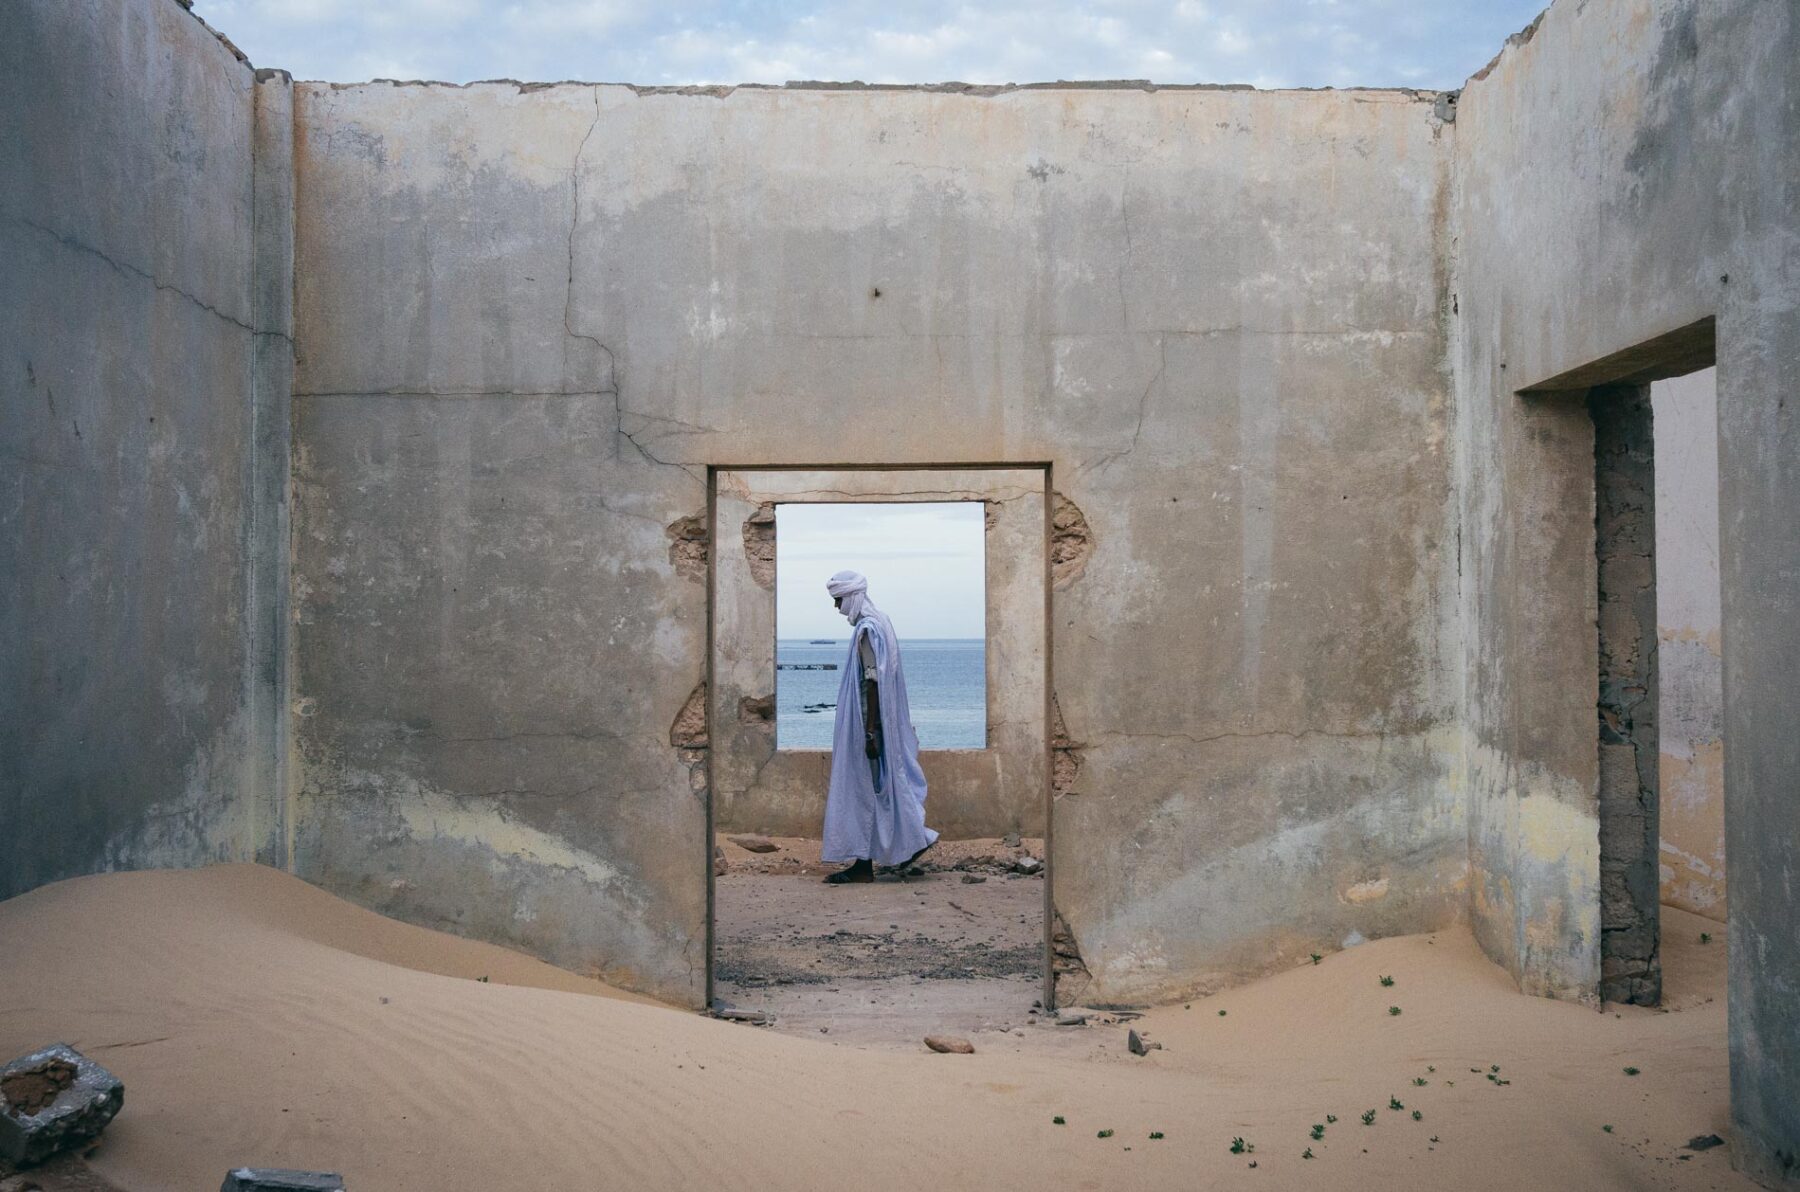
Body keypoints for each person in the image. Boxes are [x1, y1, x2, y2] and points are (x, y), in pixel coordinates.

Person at [820, 570, 937, 884]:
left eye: (838, 600)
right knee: (882, 787)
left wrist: (870, 730)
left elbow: (871, 681)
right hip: (879, 723)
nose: (837, 608)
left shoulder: (867, 630)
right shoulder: (882, 622)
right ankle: (906, 844)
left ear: (853, 596)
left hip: (867, 724)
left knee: (863, 789)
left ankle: (872, 861)